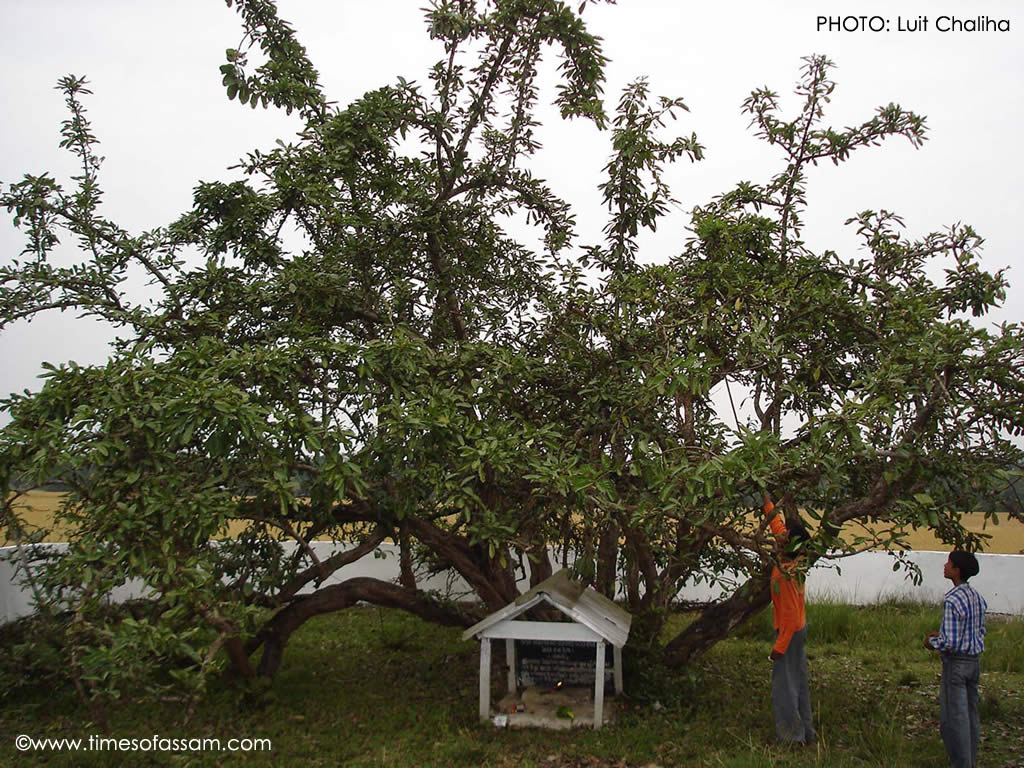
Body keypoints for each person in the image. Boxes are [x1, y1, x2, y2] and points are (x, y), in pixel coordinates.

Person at [925, 550, 987, 768]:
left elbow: (949, 642)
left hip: (956, 664)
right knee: (970, 715)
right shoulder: (976, 597)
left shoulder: (952, 600)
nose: (945, 565)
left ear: (957, 571)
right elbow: (978, 630)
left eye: (949, 563)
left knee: (954, 719)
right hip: (973, 662)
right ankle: (970, 760)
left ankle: (961, 763)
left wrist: (931, 642)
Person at [763, 497, 815, 746]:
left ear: (789, 545)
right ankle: (806, 732)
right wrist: (767, 501)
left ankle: (792, 738)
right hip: (797, 629)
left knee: (785, 686)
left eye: (784, 538)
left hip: (790, 632)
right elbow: (777, 526)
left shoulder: (787, 574)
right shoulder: (793, 559)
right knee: (798, 682)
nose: (780, 537)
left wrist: (779, 647)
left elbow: (791, 616)